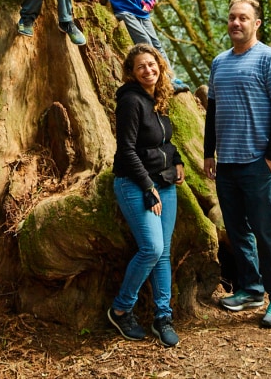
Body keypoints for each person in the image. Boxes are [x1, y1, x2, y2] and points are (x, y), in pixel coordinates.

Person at [202, 0, 271, 329]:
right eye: (231, 18)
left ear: (255, 23)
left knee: (265, 231)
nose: (236, 23)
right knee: (237, 230)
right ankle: (251, 289)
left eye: (243, 18)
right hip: (227, 161)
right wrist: (209, 152)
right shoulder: (219, 62)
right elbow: (212, 110)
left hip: (259, 162)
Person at [108, 43, 185, 347]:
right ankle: (121, 308)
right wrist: (148, 188)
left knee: (163, 252)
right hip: (135, 184)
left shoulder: (158, 98)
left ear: (160, 66)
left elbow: (164, 141)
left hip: (165, 183)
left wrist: (177, 159)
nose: (148, 70)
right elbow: (126, 150)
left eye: (152, 64)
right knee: (152, 248)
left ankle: (162, 317)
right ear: (132, 71)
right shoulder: (130, 100)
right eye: (140, 66)